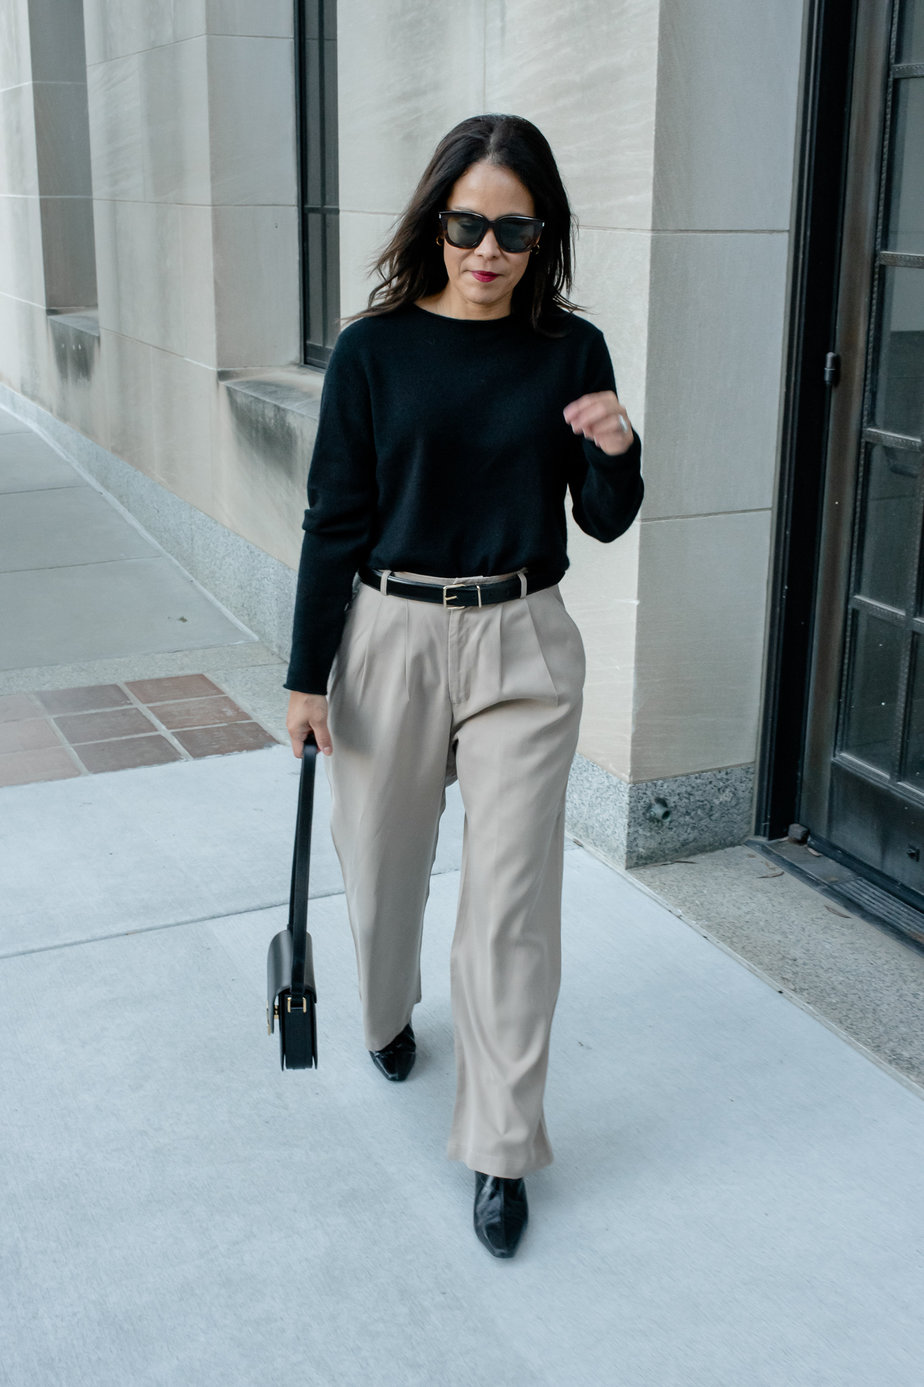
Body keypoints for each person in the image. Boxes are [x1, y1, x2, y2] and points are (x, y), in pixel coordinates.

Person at [284, 114, 643, 1259]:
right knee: (380, 873)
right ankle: (387, 1018)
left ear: (544, 237)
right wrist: (305, 676)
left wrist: (619, 449)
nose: (488, 248)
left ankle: (499, 1144)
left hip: (523, 642)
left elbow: (604, 516)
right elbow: (333, 518)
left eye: (515, 229)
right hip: (389, 630)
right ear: (435, 219)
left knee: (509, 904)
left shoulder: (569, 351)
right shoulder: (373, 351)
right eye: (467, 223)